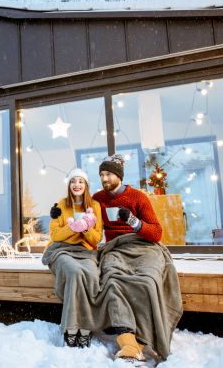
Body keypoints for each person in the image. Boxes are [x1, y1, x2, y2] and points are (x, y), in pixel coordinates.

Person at [92, 154, 183, 363]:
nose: (104, 179)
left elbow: (156, 232)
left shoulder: (138, 198)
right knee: (113, 281)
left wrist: (133, 221)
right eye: (101, 175)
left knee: (148, 281)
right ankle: (128, 342)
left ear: (118, 175)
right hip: (115, 248)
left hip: (143, 246)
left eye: (108, 174)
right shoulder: (98, 199)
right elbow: (84, 214)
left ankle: (144, 338)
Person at [41, 168, 103, 348]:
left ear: (86, 185)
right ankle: (71, 328)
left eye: (81, 181)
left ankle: (85, 328)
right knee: (75, 273)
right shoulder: (61, 205)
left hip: (86, 252)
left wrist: (85, 229)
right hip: (62, 250)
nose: (77, 185)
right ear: (69, 185)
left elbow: (96, 238)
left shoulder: (95, 206)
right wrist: (73, 228)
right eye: (73, 181)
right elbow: (55, 234)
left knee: (91, 276)